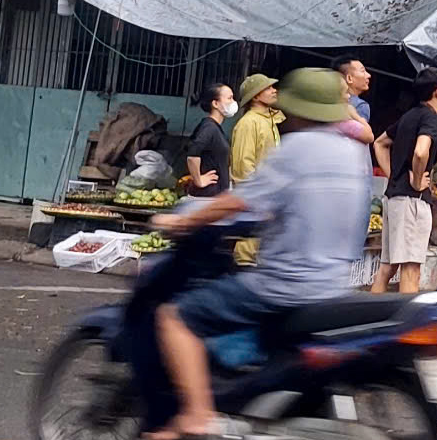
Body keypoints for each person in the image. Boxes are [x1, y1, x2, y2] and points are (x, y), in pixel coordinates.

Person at [144, 67, 368, 440]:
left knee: (175, 318)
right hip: (333, 285)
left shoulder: (296, 148)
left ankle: (198, 415)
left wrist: (186, 221)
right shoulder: (350, 153)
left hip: (285, 283)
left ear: (297, 109)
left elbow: (243, 194)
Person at [371, 70, 437, 294]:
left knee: (387, 267)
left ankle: (369, 321)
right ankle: (408, 327)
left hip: (394, 197)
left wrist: (394, 176)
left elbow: (380, 143)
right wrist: (417, 180)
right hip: (411, 201)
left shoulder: (410, 115)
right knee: (411, 269)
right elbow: (420, 152)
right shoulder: (430, 118)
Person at [227, 73, 279, 266]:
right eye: (269, 88)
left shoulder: (268, 120)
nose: (274, 90)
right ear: (256, 96)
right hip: (256, 196)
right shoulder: (249, 123)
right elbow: (242, 165)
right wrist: (252, 196)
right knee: (248, 247)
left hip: (268, 194)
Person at [183, 84, 234, 198]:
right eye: (229, 98)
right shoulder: (209, 128)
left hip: (215, 195)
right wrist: (198, 180)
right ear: (215, 103)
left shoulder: (215, 127)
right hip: (207, 196)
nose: (233, 102)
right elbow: (192, 153)